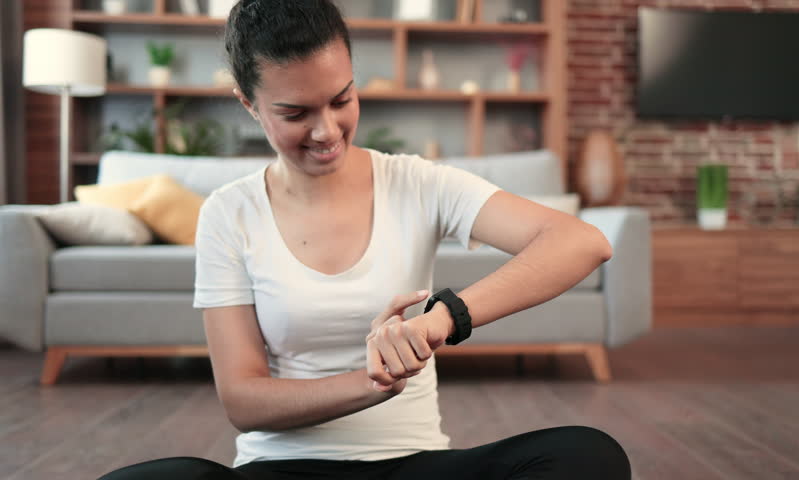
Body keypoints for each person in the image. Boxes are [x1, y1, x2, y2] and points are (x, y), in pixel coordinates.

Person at [98, 1, 630, 479]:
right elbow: (243, 400)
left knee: (587, 456)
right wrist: (375, 380)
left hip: (413, 464)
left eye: (341, 99)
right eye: (295, 112)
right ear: (249, 104)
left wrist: (439, 320)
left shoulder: (419, 182)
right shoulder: (228, 213)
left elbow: (581, 242)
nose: (327, 130)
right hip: (283, 470)